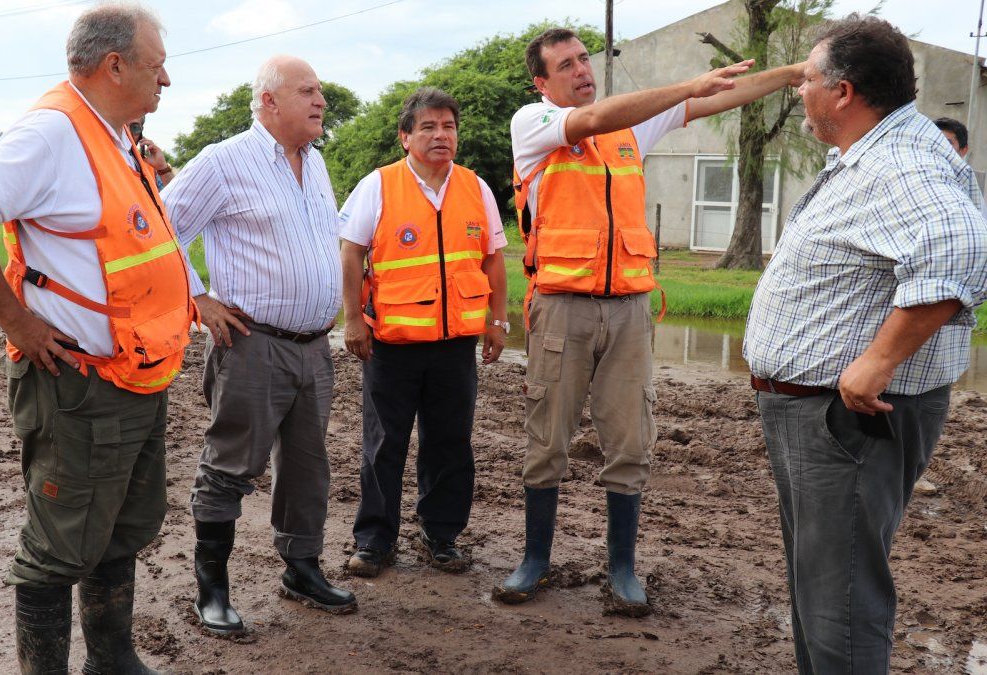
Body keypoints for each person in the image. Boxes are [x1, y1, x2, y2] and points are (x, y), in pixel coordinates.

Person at [495, 27, 805, 615]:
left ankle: (623, 571)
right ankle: (535, 560)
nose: (582, 70)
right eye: (566, 65)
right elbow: (593, 120)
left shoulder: (634, 126)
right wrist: (686, 84)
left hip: (631, 311)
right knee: (547, 440)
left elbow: (716, 99)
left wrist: (789, 76)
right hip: (561, 308)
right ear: (542, 83)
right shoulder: (532, 125)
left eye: (585, 59)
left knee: (631, 440)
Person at [0, 4, 190, 673]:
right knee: (58, 549)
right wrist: (17, 321)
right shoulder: (52, 133)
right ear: (115, 66)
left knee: (120, 529)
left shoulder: (117, 134)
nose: (167, 82)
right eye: (157, 67)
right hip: (78, 388)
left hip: (136, 376)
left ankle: (113, 658)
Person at [745, 16, 987, 673]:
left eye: (807, 80)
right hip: (816, 415)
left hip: (844, 420)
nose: (800, 92)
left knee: (840, 604)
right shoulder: (873, 152)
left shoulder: (901, 161)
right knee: (820, 590)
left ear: (844, 92)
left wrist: (877, 361)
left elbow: (960, 247)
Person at [161, 54, 355, 637]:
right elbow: (161, 226)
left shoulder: (315, 163)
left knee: (307, 467)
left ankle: (301, 568)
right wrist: (197, 298)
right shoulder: (224, 161)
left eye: (321, 90)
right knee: (230, 466)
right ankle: (211, 589)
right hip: (253, 344)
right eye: (308, 91)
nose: (321, 101)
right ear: (269, 101)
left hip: (315, 347)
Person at [338, 87, 509, 577]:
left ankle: (442, 535)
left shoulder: (475, 187)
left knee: (450, 443)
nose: (441, 135)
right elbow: (350, 251)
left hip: (456, 344)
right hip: (390, 345)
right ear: (405, 137)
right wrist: (352, 320)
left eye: (448, 126)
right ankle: (374, 540)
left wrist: (497, 321)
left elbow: (494, 260)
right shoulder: (379, 185)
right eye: (428, 127)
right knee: (382, 444)